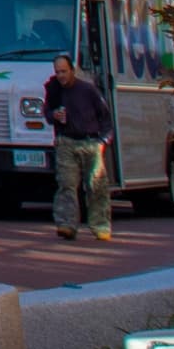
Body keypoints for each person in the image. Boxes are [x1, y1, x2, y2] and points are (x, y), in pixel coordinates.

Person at [45, 53, 115, 242]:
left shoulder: (88, 90)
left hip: (90, 141)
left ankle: (100, 226)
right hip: (66, 141)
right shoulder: (53, 90)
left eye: (64, 71)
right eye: (57, 72)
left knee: (96, 185)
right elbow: (47, 113)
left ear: (72, 71)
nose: (61, 76)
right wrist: (54, 116)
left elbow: (106, 118)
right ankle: (66, 224)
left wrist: (103, 142)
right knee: (66, 184)